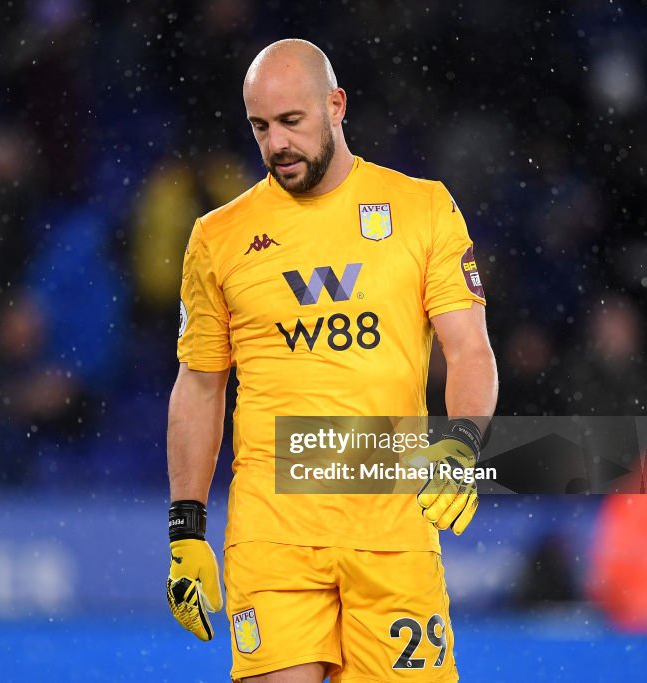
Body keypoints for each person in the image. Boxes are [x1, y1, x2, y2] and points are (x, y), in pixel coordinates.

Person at [165, 39, 498, 682]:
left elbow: (470, 351)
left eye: (292, 122)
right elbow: (200, 385)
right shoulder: (218, 237)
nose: (277, 144)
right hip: (273, 531)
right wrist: (185, 529)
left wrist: (460, 441)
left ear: (336, 105)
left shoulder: (423, 209)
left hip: (393, 526)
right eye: (261, 128)